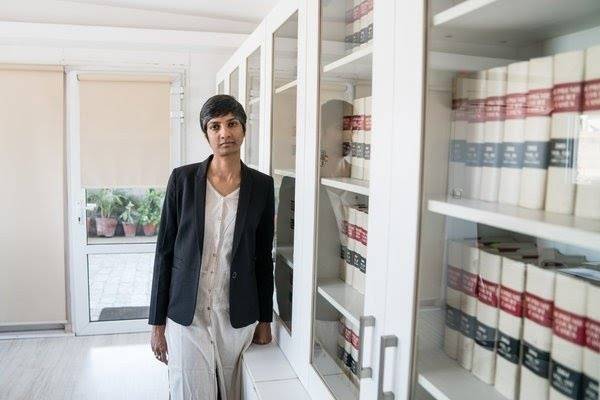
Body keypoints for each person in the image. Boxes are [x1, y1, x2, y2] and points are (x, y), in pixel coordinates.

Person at [148, 94, 275, 400]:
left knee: (232, 394)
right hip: (186, 314)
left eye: (232, 124)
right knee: (189, 392)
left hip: (236, 315)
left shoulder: (262, 186)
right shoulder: (183, 180)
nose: (224, 133)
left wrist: (265, 320)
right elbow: (165, 251)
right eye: (215, 126)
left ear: (243, 129)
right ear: (206, 134)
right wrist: (157, 323)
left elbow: (263, 257)